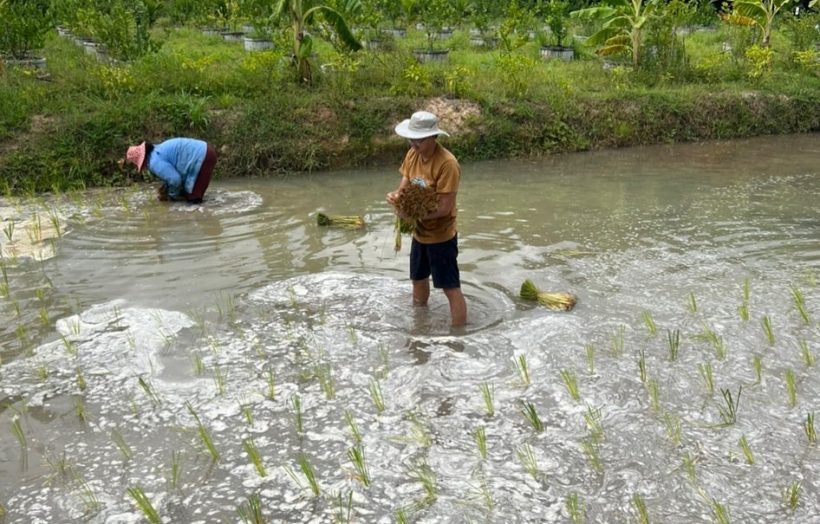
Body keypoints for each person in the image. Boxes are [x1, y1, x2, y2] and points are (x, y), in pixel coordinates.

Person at [387, 111, 467, 327]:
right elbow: (404, 186)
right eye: (411, 138)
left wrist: (410, 214)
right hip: (419, 233)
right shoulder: (412, 154)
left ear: (433, 137)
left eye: (420, 140)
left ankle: (458, 335)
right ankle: (420, 324)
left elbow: (444, 207)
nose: (414, 144)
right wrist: (396, 197)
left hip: (441, 236)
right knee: (418, 279)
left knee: (450, 287)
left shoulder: (447, 164)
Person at [124, 138, 217, 204]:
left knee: (194, 201)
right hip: (205, 151)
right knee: (190, 195)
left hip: (202, 157)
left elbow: (175, 180)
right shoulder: (157, 150)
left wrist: (171, 196)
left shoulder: (154, 162)